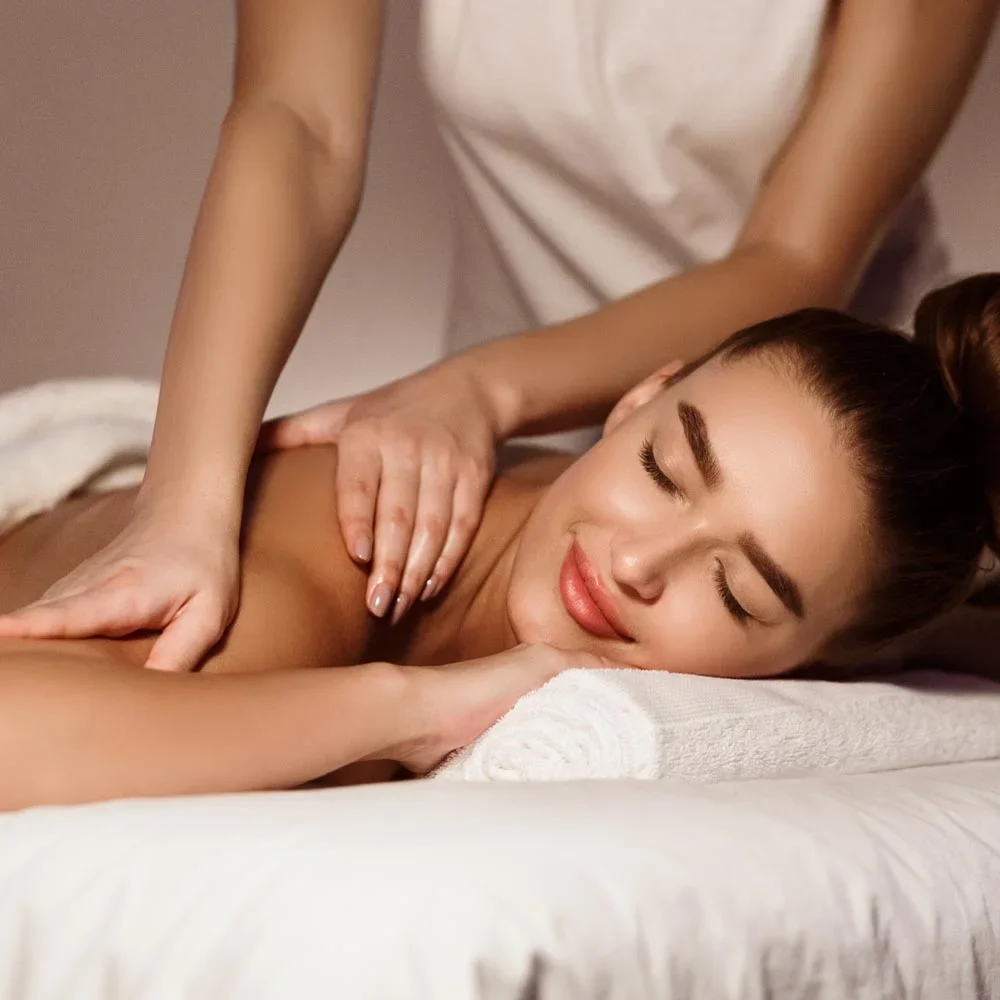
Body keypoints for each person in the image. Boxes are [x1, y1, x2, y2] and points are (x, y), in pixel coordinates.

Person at [0, 1, 996, 675]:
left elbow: (791, 259)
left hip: (808, 469)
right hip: (526, 447)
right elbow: (297, 119)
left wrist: (481, 391)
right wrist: (186, 500)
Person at [0, 275, 997, 810]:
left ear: (818, 661)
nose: (636, 563)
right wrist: (409, 705)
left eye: (736, 591)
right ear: (638, 396)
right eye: (663, 468)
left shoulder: (861, 627)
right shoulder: (343, 547)